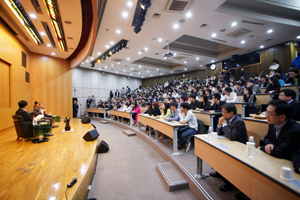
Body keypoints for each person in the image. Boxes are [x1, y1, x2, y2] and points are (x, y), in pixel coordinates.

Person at [213, 103, 247, 192]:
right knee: (217, 151)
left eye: (224, 112)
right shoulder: (227, 119)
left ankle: (228, 182)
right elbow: (219, 133)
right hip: (230, 143)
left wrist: (224, 125)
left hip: (239, 146)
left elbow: (232, 136)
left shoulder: (238, 121)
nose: (222, 114)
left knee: (227, 158)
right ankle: (219, 172)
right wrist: (220, 124)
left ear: (231, 113)